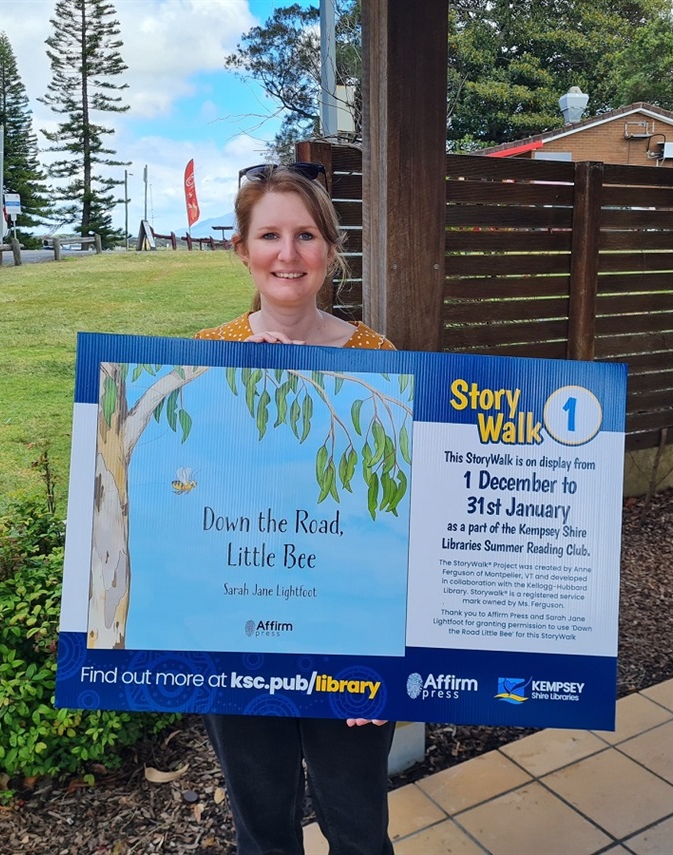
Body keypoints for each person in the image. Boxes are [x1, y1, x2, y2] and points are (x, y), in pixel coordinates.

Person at [195, 162, 396, 855]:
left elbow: (393, 526)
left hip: (346, 635)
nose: (288, 254)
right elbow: (186, 504)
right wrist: (244, 398)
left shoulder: (377, 358)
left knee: (360, 827)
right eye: (270, 235)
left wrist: (385, 664)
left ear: (331, 251)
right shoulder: (206, 359)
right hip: (239, 634)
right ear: (242, 250)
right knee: (262, 832)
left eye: (306, 235)